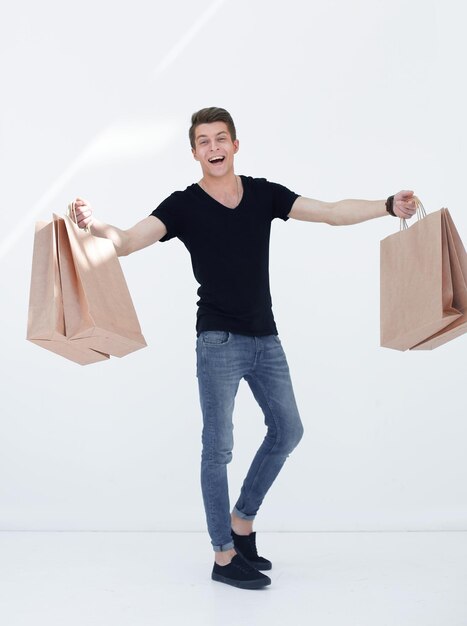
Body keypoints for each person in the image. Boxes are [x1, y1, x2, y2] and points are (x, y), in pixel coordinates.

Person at [72, 107, 417, 590]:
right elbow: (127, 241)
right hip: (218, 340)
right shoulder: (184, 205)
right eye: (203, 141)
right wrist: (95, 225)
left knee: (288, 430)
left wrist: (386, 204)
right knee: (218, 449)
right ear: (194, 152)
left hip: (266, 338)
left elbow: (331, 212)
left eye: (221, 139)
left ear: (235, 145)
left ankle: (243, 522)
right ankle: (223, 555)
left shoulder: (261, 194)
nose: (213, 148)